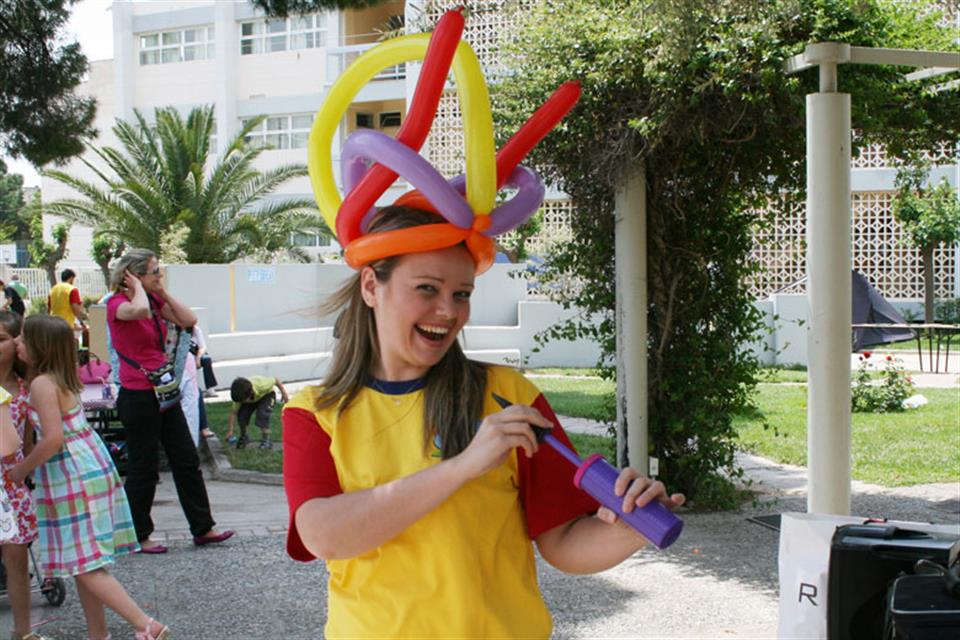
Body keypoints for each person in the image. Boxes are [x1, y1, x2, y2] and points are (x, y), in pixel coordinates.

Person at [282, 208, 685, 638]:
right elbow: (324, 536)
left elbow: (564, 544)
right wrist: (462, 466)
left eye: (462, 294)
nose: (447, 311)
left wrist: (628, 530)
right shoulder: (315, 413)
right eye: (426, 288)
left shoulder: (510, 396)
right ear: (370, 287)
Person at [11, 315, 170, 640]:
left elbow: (53, 439)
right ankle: (98, 634)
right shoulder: (59, 378)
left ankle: (145, 625)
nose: (17, 344)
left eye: (23, 339)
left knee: (84, 565)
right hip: (88, 468)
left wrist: (21, 470)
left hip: (71, 476)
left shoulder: (42, 384)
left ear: (40, 346)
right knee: (86, 563)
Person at [106, 248, 233, 553]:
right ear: (133, 275)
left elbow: (189, 319)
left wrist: (160, 290)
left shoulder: (154, 300)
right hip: (138, 393)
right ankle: (139, 534)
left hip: (164, 392)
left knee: (186, 459)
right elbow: (137, 313)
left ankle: (203, 528)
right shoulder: (117, 304)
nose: (159, 276)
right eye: (154, 271)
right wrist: (136, 288)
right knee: (144, 466)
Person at [0, 312, 43, 640]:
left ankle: (23, 632)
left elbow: (29, 441)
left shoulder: (27, 387)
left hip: (11, 481)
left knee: (16, 558)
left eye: (1, 339)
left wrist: (27, 475)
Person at [227, 375, 288, 449]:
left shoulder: (262, 385)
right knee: (242, 415)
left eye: (243, 401)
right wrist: (230, 431)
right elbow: (233, 413)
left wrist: (283, 392)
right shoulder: (240, 396)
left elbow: (275, 380)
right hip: (253, 397)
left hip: (267, 395)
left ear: (250, 393)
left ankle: (266, 440)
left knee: (262, 415)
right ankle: (244, 436)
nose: (241, 403)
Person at [47, 269, 87, 338]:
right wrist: (81, 322)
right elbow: (75, 307)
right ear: (71, 278)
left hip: (53, 324)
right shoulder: (72, 289)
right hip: (66, 326)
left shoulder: (53, 289)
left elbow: (49, 307)